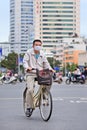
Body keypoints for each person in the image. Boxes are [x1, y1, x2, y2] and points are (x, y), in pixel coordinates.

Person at [23, 39, 55, 117]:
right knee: (30, 90)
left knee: (50, 80)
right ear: (33, 46)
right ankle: (29, 107)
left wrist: (50, 69)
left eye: (39, 45)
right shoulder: (28, 52)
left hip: (40, 73)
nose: (38, 46)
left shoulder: (42, 53)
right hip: (31, 73)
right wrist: (27, 67)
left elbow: (46, 63)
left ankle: (45, 96)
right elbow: (25, 62)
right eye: (36, 45)